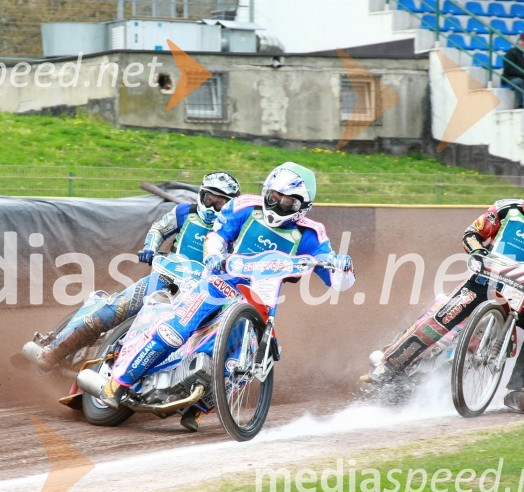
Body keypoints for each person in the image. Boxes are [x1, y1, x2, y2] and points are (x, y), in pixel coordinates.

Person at [93, 162, 355, 428]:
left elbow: (337, 280)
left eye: (288, 202)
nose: (278, 205)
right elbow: (218, 235)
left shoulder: (311, 235)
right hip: (218, 283)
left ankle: (197, 406)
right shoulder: (244, 207)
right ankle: (118, 383)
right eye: (274, 197)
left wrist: (342, 266)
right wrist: (214, 256)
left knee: (246, 359)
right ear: (266, 192)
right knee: (177, 329)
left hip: (258, 302)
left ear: (303, 207)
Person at [363, 167, 524, 414]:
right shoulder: (507, 209)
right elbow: (472, 233)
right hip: (483, 282)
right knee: (440, 319)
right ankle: (390, 366)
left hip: (523, 294)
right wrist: (477, 250)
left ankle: (521, 391)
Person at [21, 172, 241, 430]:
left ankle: (192, 403)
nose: (215, 205)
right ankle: (54, 352)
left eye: (222, 201)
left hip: (199, 293)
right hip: (166, 277)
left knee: (212, 341)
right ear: (202, 194)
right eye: (211, 197)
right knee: (116, 310)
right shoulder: (185, 212)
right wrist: (150, 246)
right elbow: (160, 228)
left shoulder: (233, 231)